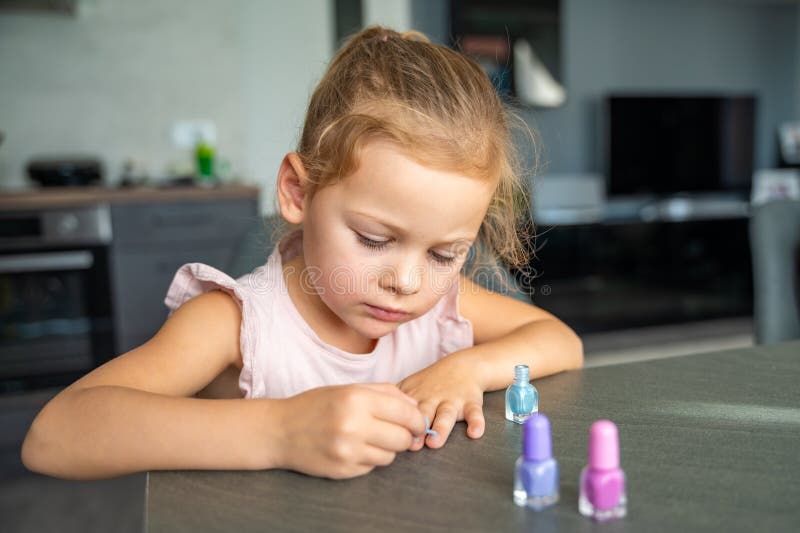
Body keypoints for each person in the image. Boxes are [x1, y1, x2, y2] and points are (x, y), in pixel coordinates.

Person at [21, 26, 583, 481]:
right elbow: (54, 436)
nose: (408, 281)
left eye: (445, 253)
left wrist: (464, 368)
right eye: (373, 240)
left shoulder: (444, 307)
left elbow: (562, 341)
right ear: (297, 191)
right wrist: (282, 431)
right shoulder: (236, 322)